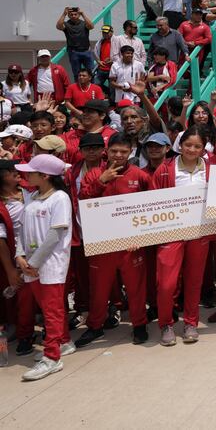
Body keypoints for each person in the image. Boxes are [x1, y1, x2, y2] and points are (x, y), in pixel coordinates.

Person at [75, 134, 152, 347]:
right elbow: (84, 200)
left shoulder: (140, 175)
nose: (118, 155)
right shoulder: (93, 175)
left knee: (136, 287)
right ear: (106, 151)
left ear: (131, 152)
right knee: (99, 288)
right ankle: (95, 327)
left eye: (123, 152)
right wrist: (102, 181)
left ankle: (139, 325)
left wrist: (142, 237)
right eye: (114, 151)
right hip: (102, 243)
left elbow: (151, 206)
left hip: (130, 244)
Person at [13, 154, 74, 381]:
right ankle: (63, 342)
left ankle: (52, 358)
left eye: (31, 171)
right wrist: (19, 255)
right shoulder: (34, 197)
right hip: (31, 265)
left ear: (45, 175)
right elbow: (22, 228)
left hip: (49, 265)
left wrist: (34, 262)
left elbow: (55, 234)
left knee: (52, 312)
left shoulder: (59, 198)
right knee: (48, 309)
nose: (26, 174)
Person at [150, 127, 211, 346]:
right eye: (188, 145)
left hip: (199, 232)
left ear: (203, 148)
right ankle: (166, 323)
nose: (192, 150)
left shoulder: (210, 169)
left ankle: (191, 323)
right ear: (179, 145)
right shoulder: (165, 170)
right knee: (166, 283)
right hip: (171, 233)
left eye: (197, 146)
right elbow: (153, 203)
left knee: (194, 280)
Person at [56, 6, 95, 79]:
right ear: (68, 16)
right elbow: (58, 26)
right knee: (77, 74)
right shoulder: (67, 24)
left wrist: (83, 14)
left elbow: (91, 26)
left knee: (91, 72)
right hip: (74, 52)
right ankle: (78, 89)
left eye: (75, 14)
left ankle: (91, 89)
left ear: (79, 15)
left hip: (86, 51)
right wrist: (64, 14)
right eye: (71, 14)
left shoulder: (84, 23)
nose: (73, 16)